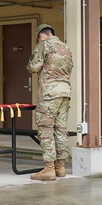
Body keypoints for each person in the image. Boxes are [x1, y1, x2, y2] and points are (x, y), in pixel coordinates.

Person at [27, 23, 74, 181]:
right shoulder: (65, 47)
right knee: (60, 130)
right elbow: (69, 68)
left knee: (46, 130)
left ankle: (49, 169)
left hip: (49, 94)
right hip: (65, 93)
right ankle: (60, 167)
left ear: (41, 35)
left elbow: (33, 67)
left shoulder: (43, 45)